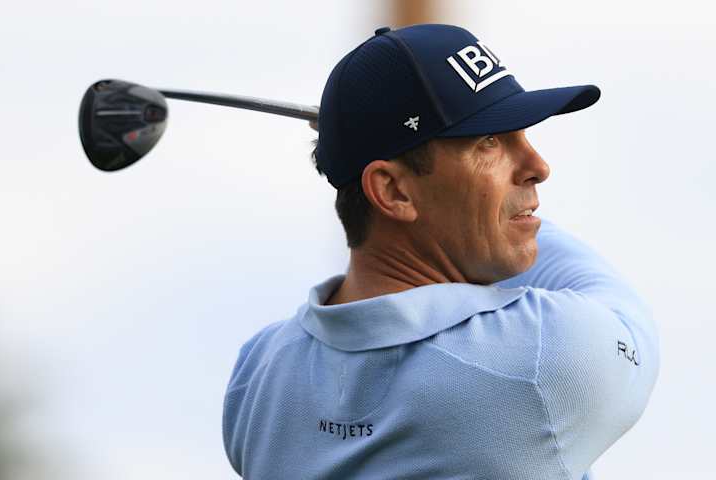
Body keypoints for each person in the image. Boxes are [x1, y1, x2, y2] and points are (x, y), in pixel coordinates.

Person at [222, 24, 659, 479]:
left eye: (521, 134)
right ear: (393, 191)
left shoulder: (259, 375)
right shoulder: (546, 354)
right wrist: (522, 220)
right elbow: (620, 309)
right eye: (489, 142)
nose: (537, 166)